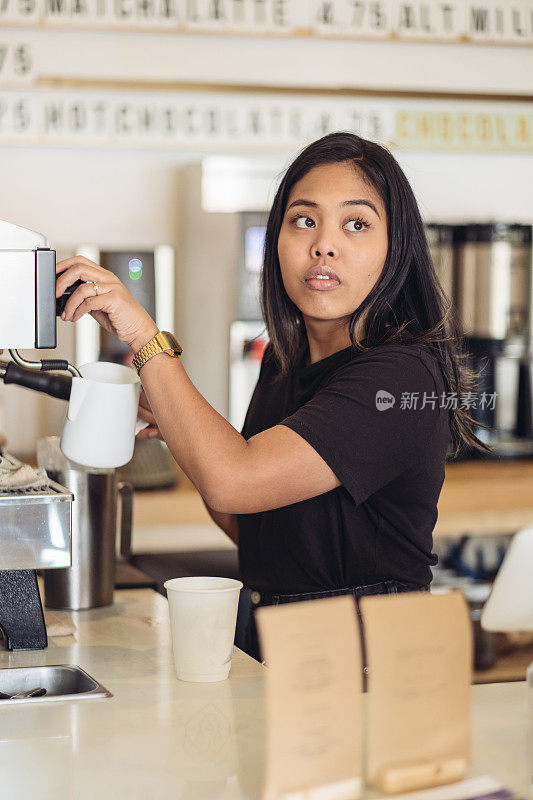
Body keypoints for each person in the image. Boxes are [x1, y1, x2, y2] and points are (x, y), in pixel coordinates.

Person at [56, 132, 486, 663]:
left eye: (357, 224)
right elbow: (250, 525)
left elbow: (234, 480)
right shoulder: (283, 364)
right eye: (304, 220)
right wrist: (183, 434)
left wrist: (146, 339)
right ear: (276, 241)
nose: (323, 244)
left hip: (371, 663)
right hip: (278, 645)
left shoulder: (399, 377)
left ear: (396, 249)